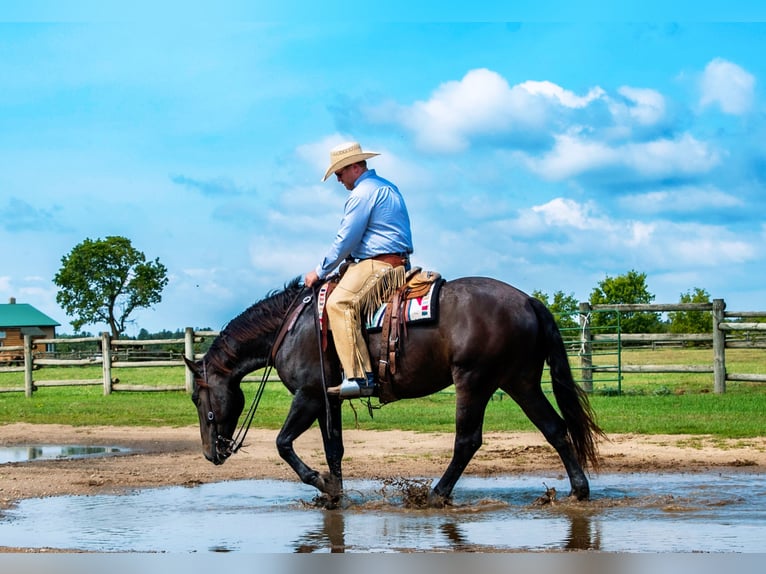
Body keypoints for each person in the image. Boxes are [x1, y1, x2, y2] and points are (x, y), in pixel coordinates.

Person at [304, 141, 413, 398]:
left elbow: (346, 239)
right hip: (392, 260)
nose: (338, 180)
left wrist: (319, 271)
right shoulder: (387, 186)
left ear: (354, 167)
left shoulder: (363, 194)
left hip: (379, 264)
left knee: (339, 304)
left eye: (340, 174)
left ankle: (360, 376)